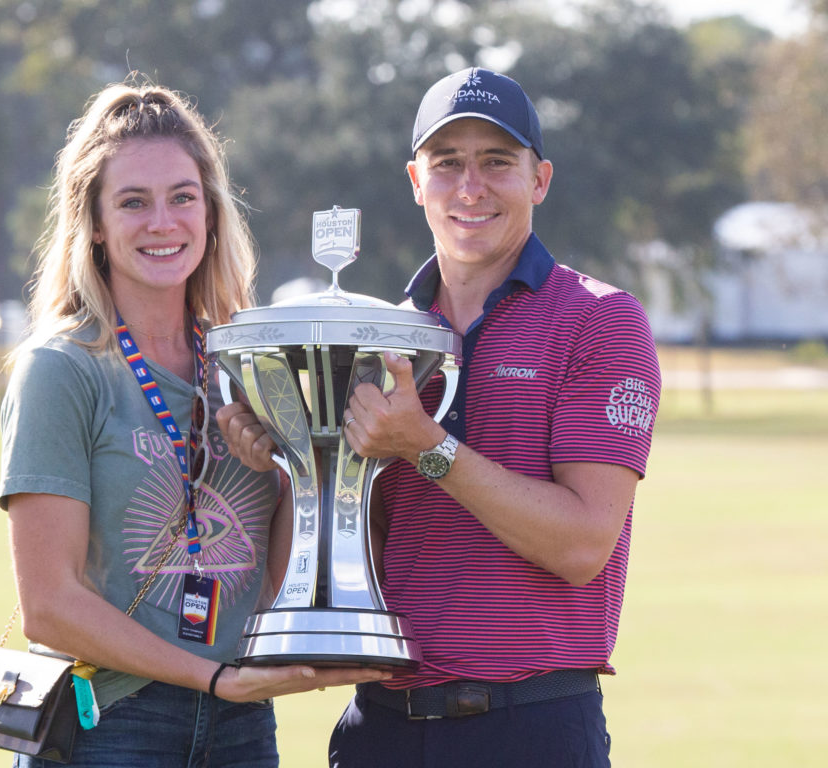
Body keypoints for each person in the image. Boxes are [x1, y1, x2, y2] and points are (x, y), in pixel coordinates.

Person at [218, 68, 661, 767]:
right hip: (382, 727)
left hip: (531, 726)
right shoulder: (376, 338)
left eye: (496, 163)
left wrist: (428, 448)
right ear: (416, 181)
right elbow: (328, 563)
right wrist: (290, 460)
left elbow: (581, 545)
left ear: (539, 179)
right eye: (447, 164)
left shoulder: (599, 320)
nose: (470, 187)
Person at [0, 79, 388, 768]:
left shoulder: (249, 366)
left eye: (182, 196)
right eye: (133, 202)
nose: (162, 222)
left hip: (240, 726)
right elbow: (49, 604)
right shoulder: (64, 368)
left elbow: (273, 584)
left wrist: (295, 467)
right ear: (94, 222)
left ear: (210, 212)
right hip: (111, 725)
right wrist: (211, 676)